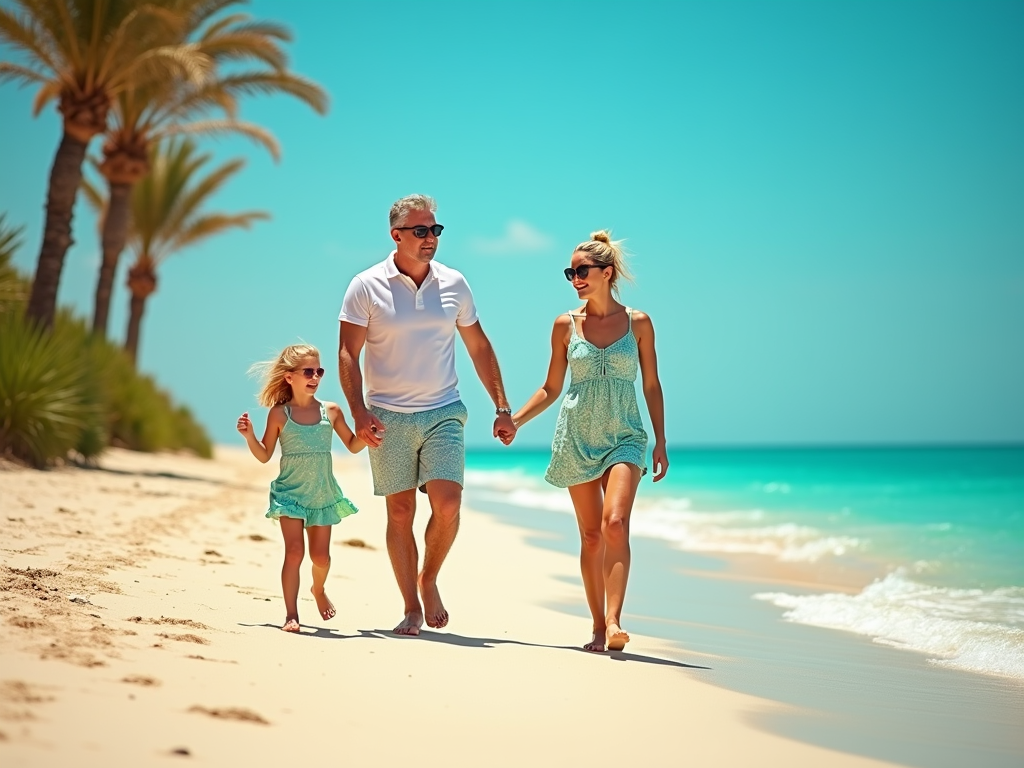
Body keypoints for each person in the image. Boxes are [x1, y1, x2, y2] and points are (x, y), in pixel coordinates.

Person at [338, 194, 516, 636]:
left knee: (448, 505)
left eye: (435, 230)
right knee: (400, 513)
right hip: (387, 415)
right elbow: (347, 352)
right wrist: (358, 410)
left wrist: (502, 406)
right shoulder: (365, 285)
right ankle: (410, 606)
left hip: (443, 411)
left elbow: (478, 346)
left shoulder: (454, 283)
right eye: (421, 231)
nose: (430, 238)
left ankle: (429, 577)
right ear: (396, 236)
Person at [511, 231, 668, 652]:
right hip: (577, 435)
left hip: (625, 434)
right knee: (591, 536)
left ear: (607, 272)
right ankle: (598, 626)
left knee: (614, 523)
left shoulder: (639, 323)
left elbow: (651, 384)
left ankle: (616, 621)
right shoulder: (566, 325)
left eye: (583, 271)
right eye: (571, 272)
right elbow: (550, 387)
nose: (575, 278)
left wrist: (660, 439)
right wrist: (516, 421)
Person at [236, 343, 364, 632]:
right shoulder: (280, 414)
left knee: (321, 558)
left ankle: (318, 590)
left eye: (319, 370)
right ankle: (291, 614)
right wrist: (249, 436)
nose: (315, 377)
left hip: (321, 494)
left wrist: (369, 435)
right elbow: (265, 454)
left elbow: (354, 446)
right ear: (289, 377)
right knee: (294, 552)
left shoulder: (330, 411)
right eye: (308, 371)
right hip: (290, 495)